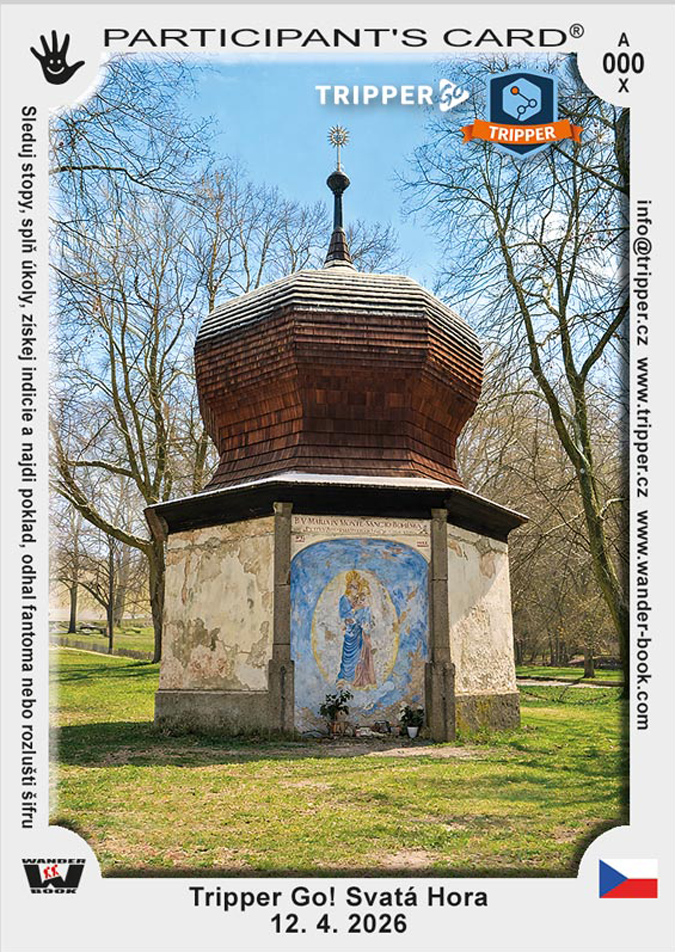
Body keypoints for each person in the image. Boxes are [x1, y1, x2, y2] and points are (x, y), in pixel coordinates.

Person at [337, 571, 376, 688]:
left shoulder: (360, 599)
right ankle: (344, 679)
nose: (353, 589)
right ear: (348, 587)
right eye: (351, 586)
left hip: (360, 633)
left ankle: (359, 680)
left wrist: (365, 617)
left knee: (361, 656)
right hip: (351, 633)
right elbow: (346, 616)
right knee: (348, 658)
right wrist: (357, 609)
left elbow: (366, 617)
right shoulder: (344, 599)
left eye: (355, 586)